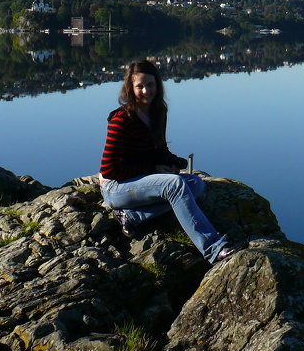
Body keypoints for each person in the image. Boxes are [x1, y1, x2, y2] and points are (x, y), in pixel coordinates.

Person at [99, 60, 236, 264]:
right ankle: (214, 249)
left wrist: (175, 162)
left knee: (196, 185)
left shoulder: (158, 112)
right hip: (115, 187)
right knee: (175, 185)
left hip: (139, 181)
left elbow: (159, 149)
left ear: (158, 85)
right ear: (130, 88)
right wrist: (154, 169)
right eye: (140, 86)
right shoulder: (121, 120)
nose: (146, 91)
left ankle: (133, 217)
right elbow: (109, 169)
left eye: (150, 85)